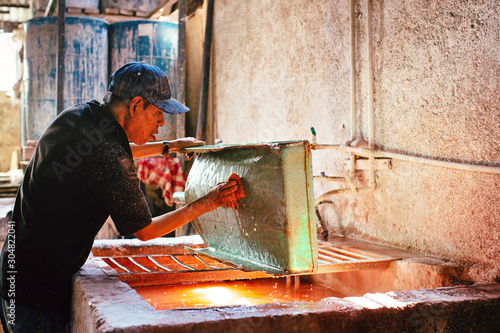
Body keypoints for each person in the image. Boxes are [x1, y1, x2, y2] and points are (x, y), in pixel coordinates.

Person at [0, 62, 239, 332]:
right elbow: (145, 230)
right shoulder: (107, 152)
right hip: (37, 295)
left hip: (15, 269)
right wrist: (210, 201)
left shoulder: (85, 116)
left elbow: (108, 154)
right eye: (158, 112)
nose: (162, 122)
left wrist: (171, 146)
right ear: (136, 105)